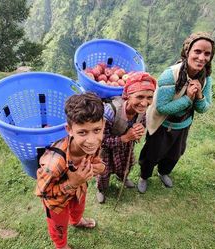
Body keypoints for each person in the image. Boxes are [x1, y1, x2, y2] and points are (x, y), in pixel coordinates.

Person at [138, 32, 215, 193]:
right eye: (197, 51)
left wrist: (199, 95)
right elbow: (162, 107)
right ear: (188, 51)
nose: (202, 58)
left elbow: (203, 108)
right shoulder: (170, 75)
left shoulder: (206, 79)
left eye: (207, 54)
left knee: (175, 154)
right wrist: (188, 99)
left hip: (182, 125)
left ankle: (163, 172)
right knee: (152, 153)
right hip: (162, 124)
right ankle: (144, 176)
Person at [35, 92, 106, 249]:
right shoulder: (52, 164)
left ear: (103, 124)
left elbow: (96, 159)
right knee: (58, 226)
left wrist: (101, 166)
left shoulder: (93, 144)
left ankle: (77, 220)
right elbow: (43, 193)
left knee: (78, 207)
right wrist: (72, 182)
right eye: (82, 132)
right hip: (57, 203)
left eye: (96, 130)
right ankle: (61, 245)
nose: (92, 140)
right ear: (69, 129)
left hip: (80, 189)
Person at [95, 72, 157, 203]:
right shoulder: (110, 111)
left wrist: (140, 129)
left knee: (126, 166)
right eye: (139, 96)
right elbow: (101, 141)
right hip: (107, 151)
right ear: (128, 95)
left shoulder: (141, 109)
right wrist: (125, 137)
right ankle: (101, 189)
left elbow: (142, 122)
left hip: (125, 148)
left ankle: (122, 177)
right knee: (103, 172)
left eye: (149, 98)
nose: (144, 103)